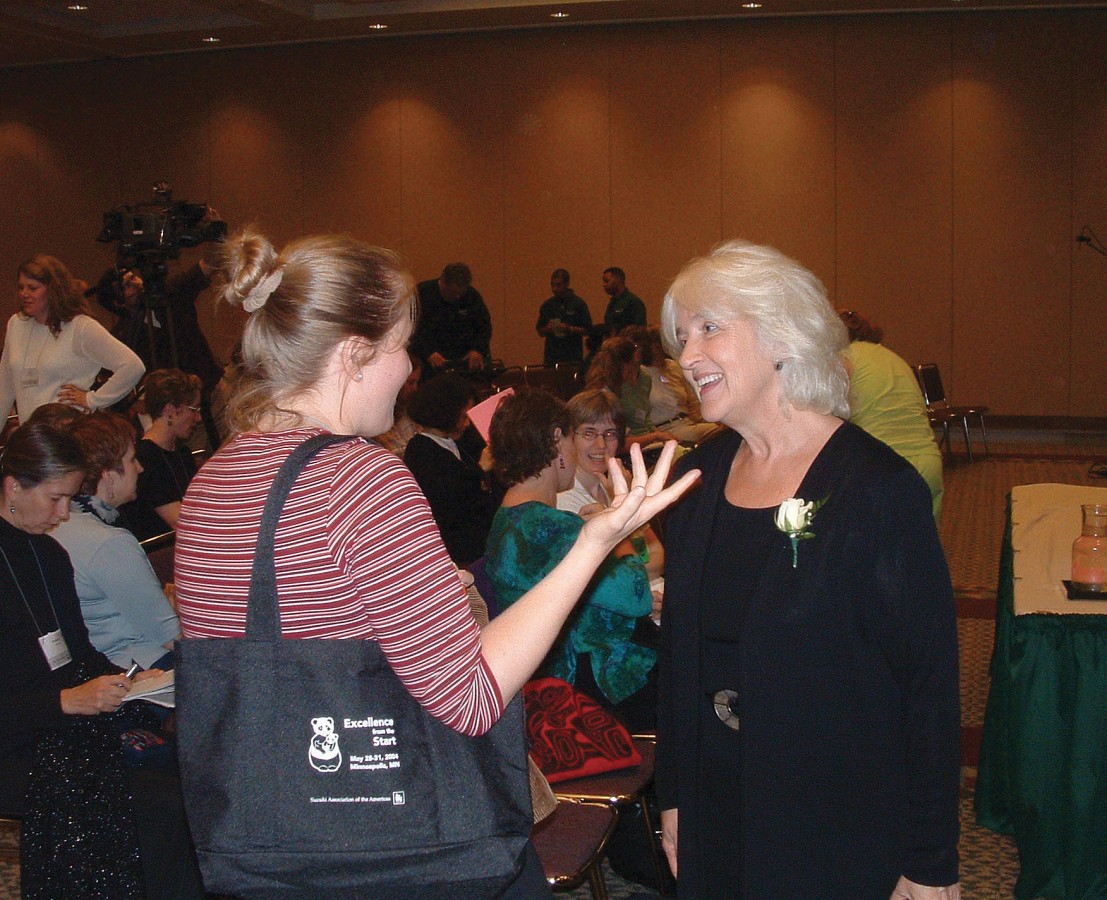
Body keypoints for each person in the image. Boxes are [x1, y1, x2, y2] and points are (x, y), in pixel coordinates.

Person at [172, 228, 699, 895]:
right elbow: (471, 698)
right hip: (401, 850)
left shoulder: (214, 480)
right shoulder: (360, 479)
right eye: (401, 347)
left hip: (270, 839)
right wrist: (590, 546)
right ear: (356, 353)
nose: (408, 370)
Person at [656, 240, 961, 899]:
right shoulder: (695, 481)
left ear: (780, 333)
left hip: (833, 823)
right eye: (681, 337)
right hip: (716, 810)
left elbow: (928, 685)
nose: (687, 357)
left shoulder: (876, 490)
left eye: (709, 328)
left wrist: (930, 860)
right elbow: (682, 659)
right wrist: (675, 797)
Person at [0, 421, 203, 899]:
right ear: (13, 487)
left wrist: (130, 681)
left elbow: (78, 652)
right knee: (157, 807)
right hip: (18, 738)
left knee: (185, 777)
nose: (64, 513)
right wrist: (66, 701)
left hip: (64, 725)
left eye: (70, 498)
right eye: (54, 498)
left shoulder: (47, 553)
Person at [484, 389, 659, 732]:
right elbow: (636, 595)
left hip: (556, 679)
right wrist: (615, 526)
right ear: (556, 442)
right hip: (586, 686)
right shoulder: (548, 527)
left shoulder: (509, 517)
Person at [51, 411, 179, 670]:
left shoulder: (59, 525)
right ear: (108, 476)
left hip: (105, 665)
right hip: (139, 668)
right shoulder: (108, 543)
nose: (140, 468)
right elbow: (173, 638)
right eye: (132, 460)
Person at [90, 251, 224, 450]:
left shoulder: (171, 294)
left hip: (214, 391)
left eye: (133, 277)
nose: (136, 284)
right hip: (180, 413)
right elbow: (111, 381)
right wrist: (138, 404)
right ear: (118, 302)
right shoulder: (123, 337)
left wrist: (216, 236)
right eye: (126, 285)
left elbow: (206, 267)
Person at [0, 255, 145, 424]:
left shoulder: (80, 327)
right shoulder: (16, 324)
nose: (24, 294)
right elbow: (5, 386)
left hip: (68, 434)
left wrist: (93, 400)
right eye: (21, 287)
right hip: (33, 437)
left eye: (32, 288)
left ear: (53, 290)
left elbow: (133, 366)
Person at [840, 309, 944, 523]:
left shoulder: (843, 360)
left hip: (885, 469)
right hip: (928, 463)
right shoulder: (892, 357)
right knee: (921, 550)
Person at [557, 388, 664, 580]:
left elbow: (659, 557)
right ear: (570, 437)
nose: (601, 445)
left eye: (609, 434)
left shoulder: (612, 487)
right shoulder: (565, 500)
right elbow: (625, 576)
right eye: (589, 433)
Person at [404, 372, 496, 566]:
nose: (467, 423)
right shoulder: (420, 449)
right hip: (457, 551)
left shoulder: (459, 442)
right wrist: (480, 469)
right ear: (446, 413)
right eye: (463, 417)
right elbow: (447, 500)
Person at [119, 368, 203, 540]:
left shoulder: (182, 452)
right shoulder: (146, 457)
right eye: (193, 409)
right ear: (171, 410)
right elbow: (179, 522)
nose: (198, 418)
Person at [625, 325, 718, 444]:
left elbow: (693, 401)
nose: (660, 349)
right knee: (719, 432)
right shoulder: (642, 374)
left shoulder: (673, 366)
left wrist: (705, 420)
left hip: (688, 422)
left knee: (721, 429)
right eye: (657, 345)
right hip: (666, 427)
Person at [585, 336, 679, 447]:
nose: (632, 377)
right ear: (620, 366)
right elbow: (618, 445)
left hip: (644, 443)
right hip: (627, 450)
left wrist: (658, 435)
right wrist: (655, 437)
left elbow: (645, 420)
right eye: (630, 370)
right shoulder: (603, 395)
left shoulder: (628, 382)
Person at [411, 262, 493, 374]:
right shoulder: (422, 294)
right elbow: (411, 330)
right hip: (429, 362)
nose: (457, 296)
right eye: (453, 292)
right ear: (443, 282)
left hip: (462, 360)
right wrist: (427, 353)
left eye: (461, 293)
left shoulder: (471, 296)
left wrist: (477, 350)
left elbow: (484, 327)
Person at [536, 268, 593, 366]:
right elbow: (540, 331)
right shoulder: (547, 305)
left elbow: (588, 330)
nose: (554, 289)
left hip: (572, 356)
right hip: (551, 357)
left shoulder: (578, 303)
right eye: (552, 285)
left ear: (567, 284)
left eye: (558, 285)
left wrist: (570, 329)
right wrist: (547, 329)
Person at [374, 350, 423, 456]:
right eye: (410, 382)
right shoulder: (380, 417)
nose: (415, 388)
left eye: (417, 382)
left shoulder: (412, 410)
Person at [602, 266, 646, 333]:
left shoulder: (633, 302)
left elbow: (640, 329)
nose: (604, 285)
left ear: (618, 280)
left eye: (606, 281)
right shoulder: (612, 304)